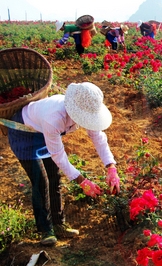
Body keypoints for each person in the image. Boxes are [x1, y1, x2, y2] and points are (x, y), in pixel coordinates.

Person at [7, 82, 121, 246]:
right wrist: (82, 181)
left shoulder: (84, 110)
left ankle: (59, 224)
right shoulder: (55, 117)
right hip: (24, 134)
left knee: (54, 178)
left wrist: (111, 167)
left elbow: (98, 137)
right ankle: (46, 230)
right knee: (40, 181)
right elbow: (58, 155)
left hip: (43, 132)